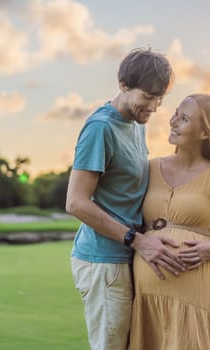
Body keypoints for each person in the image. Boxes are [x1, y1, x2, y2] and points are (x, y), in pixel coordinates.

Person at [65, 48, 186, 350]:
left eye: (161, 98)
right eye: (148, 96)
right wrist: (138, 240)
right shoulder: (100, 128)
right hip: (104, 262)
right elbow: (76, 202)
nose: (156, 107)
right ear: (123, 85)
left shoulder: (135, 124)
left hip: (126, 258)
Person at [129, 93, 210, 349]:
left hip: (195, 290)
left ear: (205, 132)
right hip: (147, 293)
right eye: (175, 114)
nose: (173, 122)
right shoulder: (149, 168)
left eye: (184, 119)